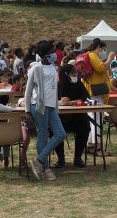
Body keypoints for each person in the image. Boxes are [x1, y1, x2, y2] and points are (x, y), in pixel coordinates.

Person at [26, 40, 66, 180]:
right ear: (45, 54)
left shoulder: (53, 67)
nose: (54, 53)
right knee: (42, 134)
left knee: (60, 133)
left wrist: (56, 105)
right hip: (39, 105)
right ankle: (45, 169)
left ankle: (39, 160)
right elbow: (28, 90)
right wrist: (27, 110)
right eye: (52, 51)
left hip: (51, 106)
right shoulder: (35, 68)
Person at [56, 62, 90, 168]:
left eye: (76, 73)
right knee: (54, 130)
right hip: (61, 118)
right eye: (72, 74)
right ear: (66, 74)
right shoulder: (57, 86)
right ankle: (60, 159)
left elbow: (86, 98)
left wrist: (72, 102)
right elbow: (54, 100)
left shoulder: (79, 84)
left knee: (85, 126)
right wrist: (61, 102)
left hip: (77, 117)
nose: (75, 76)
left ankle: (78, 158)